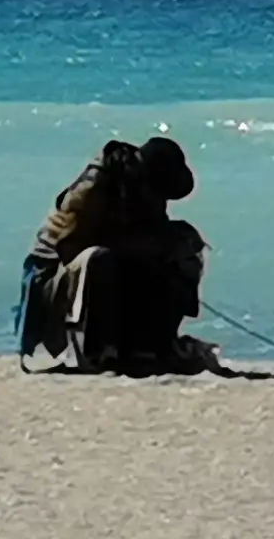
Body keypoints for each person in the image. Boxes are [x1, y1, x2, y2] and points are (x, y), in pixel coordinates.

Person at [22, 134, 211, 374]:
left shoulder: (145, 192)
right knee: (100, 259)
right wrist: (135, 247)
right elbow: (69, 246)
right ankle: (93, 350)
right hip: (55, 277)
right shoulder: (96, 185)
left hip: (113, 269)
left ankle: (154, 343)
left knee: (184, 242)